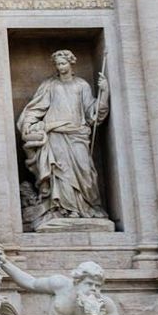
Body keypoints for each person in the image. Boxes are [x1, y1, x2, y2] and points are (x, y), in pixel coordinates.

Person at [17, 50, 109, 225]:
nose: (60, 67)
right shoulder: (49, 85)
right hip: (55, 134)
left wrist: (104, 93)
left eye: (63, 63)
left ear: (71, 63)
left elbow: (92, 113)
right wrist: (28, 124)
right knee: (61, 173)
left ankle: (85, 206)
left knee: (85, 171)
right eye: (58, 64)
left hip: (77, 134)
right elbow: (36, 108)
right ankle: (65, 210)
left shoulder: (82, 85)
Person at [0, 258, 121, 315]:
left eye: (97, 286)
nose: (93, 289)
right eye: (89, 284)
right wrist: (4, 263)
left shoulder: (106, 305)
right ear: (77, 282)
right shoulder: (60, 285)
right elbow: (31, 283)